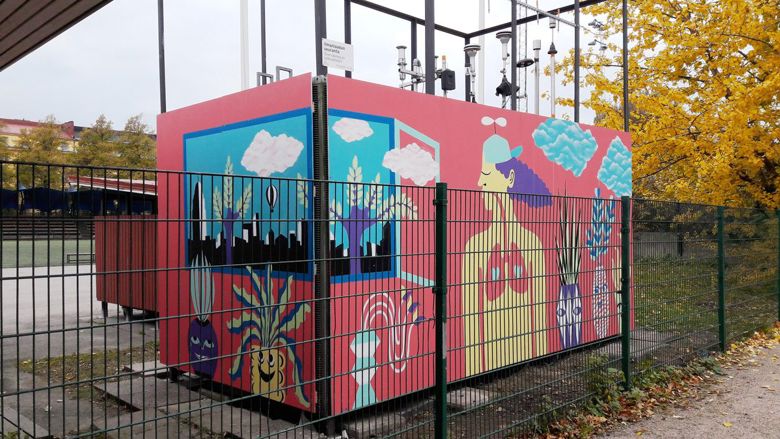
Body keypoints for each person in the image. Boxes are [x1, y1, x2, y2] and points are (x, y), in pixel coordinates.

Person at [461, 118, 551, 376]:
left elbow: (539, 322)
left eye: (486, 173)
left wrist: (537, 355)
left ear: (509, 177)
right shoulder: (474, 247)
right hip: (483, 361)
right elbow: (470, 323)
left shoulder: (532, 244)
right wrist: (475, 371)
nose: (479, 182)